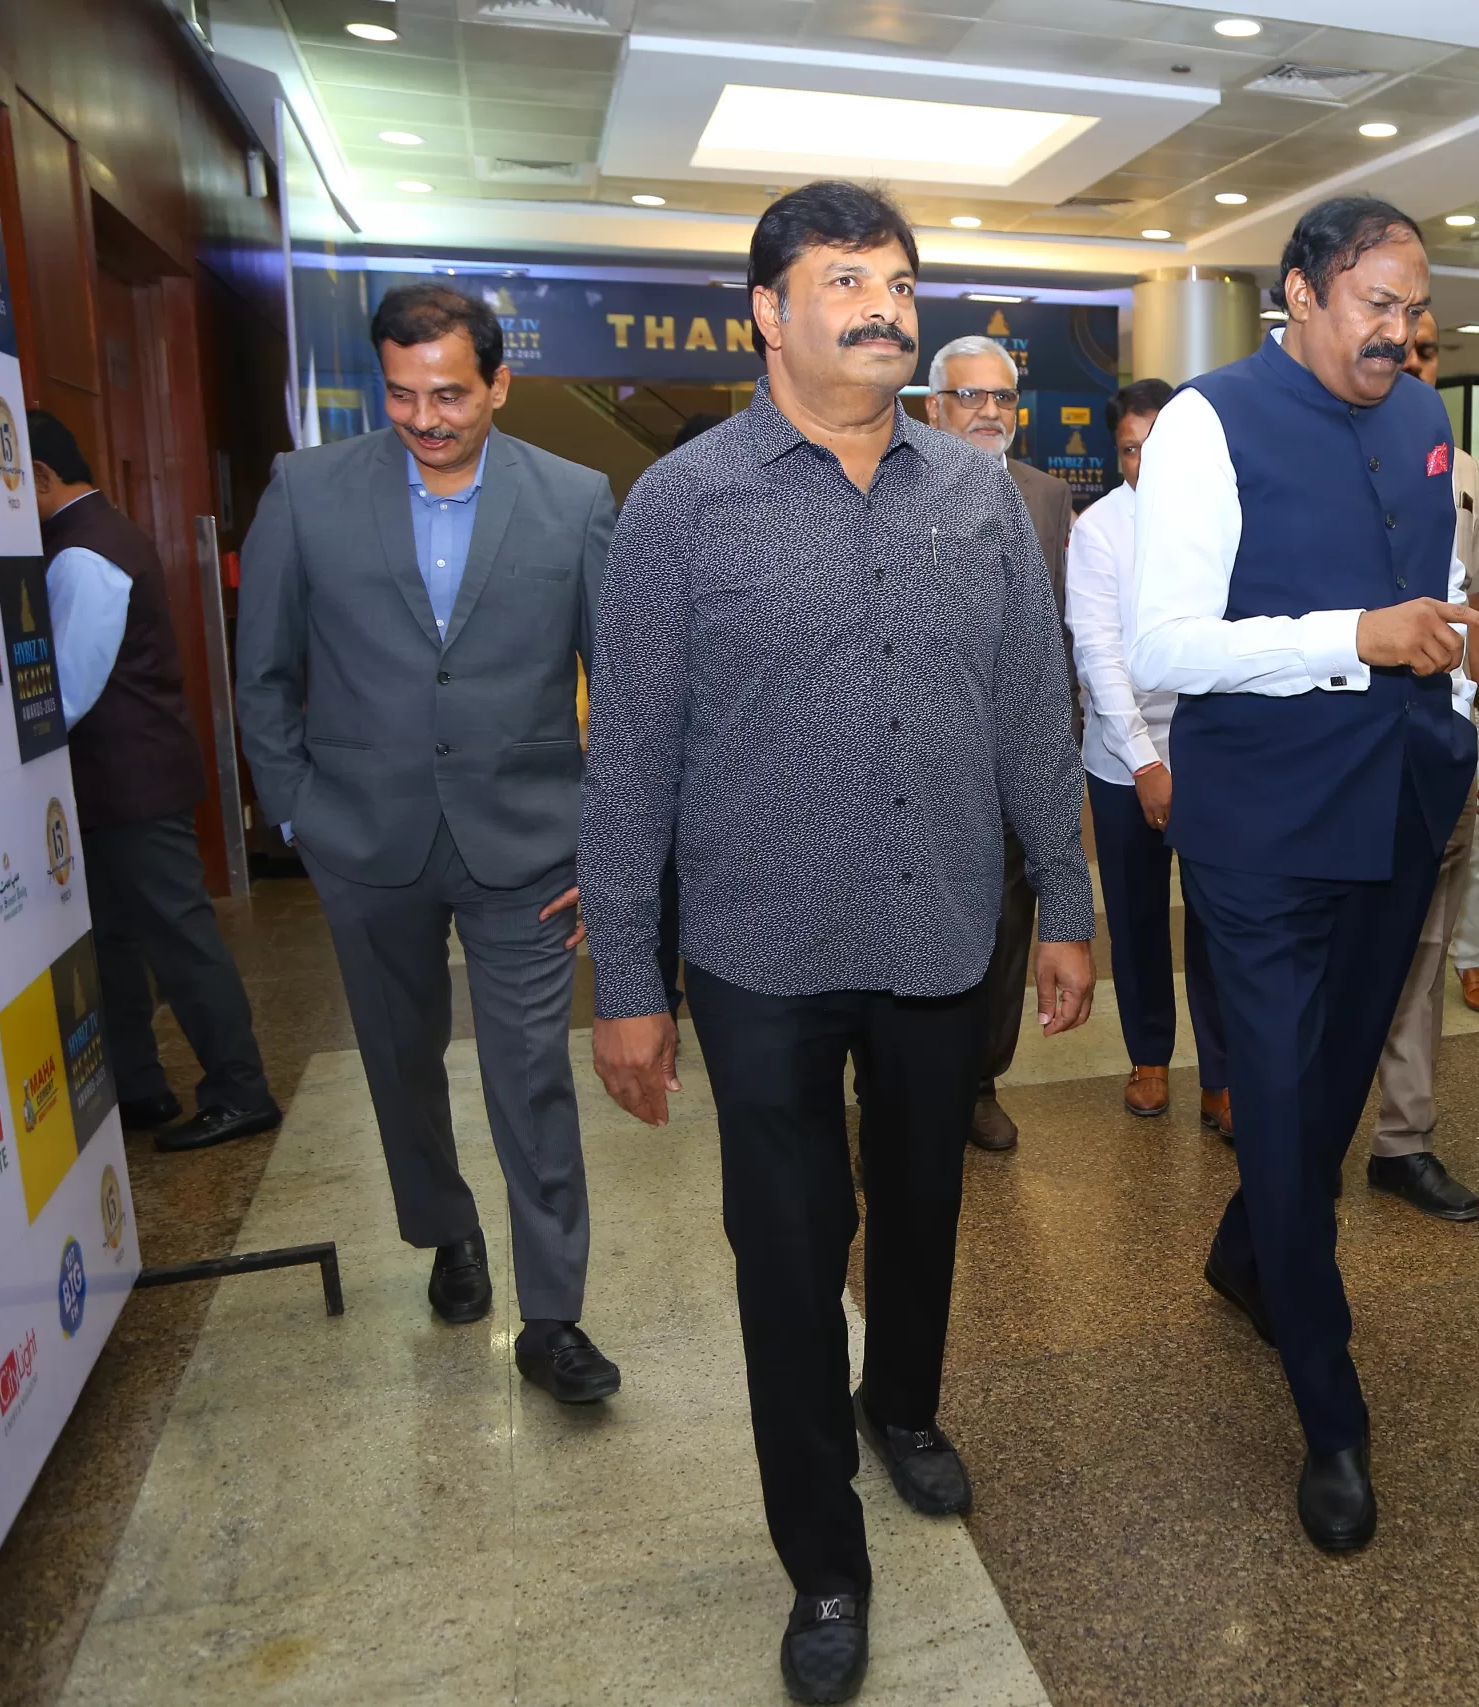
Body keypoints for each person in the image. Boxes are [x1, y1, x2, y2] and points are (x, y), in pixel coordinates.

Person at [578, 181, 1094, 1705]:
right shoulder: (680, 505)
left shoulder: (977, 495)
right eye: (848, 280)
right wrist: (627, 981)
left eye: (900, 281)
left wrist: (1068, 902)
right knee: (791, 1249)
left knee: (924, 1200)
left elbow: (1033, 712)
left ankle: (905, 1403)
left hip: (942, 926)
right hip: (763, 947)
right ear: (768, 311)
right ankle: (821, 1556)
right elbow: (631, 760)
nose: (884, 307)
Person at [1128, 196, 1479, 1552]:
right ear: (1298, 292)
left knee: (1330, 1091)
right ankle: (1331, 1409)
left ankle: (1248, 1254)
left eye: (1414, 308)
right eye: (1374, 304)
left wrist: (1458, 713)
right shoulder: (1206, 423)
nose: (1399, 332)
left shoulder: (1421, 415)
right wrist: (1356, 637)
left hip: (1399, 808)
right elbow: (1164, 645)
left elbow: (1435, 593)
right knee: (1281, 1110)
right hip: (1266, 830)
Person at [235, 283, 622, 1408]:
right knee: (400, 1059)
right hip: (364, 839)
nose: (425, 418)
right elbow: (263, 673)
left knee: (531, 1075)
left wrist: (606, 840)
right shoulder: (306, 490)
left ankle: (552, 1317)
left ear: (499, 384)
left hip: (530, 842)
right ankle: (447, 1227)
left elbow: (625, 683)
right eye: (402, 395)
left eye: (450, 394)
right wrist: (300, 813)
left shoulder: (574, 498)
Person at [29, 412, 281, 1155]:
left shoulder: (83, 552)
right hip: (118, 784)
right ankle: (137, 1084)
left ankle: (241, 1092)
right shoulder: (99, 534)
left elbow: (67, 690)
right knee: (115, 940)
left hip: (129, 783)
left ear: (38, 475)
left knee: (180, 940)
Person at [1363, 309, 1479, 1221]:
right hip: (1346, 752)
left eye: (1425, 349)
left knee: (1423, 958)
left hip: (1440, 750)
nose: (1410, 361)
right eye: (1395, 346)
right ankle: (1295, 1139)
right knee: (1330, 959)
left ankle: (1403, 1141)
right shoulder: (1327, 454)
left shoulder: (1462, 472)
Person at [1066, 378, 1230, 1131]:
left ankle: (1221, 1074)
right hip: (1120, 757)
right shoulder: (1100, 529)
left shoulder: (1217, 514)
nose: (1143, 461)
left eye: (1155, 445)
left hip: (1209, 748)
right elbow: (1099, 655)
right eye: (1129, 449)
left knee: (1217, 917)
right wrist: (1144, 763)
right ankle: (1150, 1058)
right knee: (1134, 919)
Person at [927, 333, 1075, 1152]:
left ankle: (981, 1081)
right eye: (971, 396)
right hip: (919, 762)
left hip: (1011, 765)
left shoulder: (1046, 498)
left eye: (1003, 397)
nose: (990, 411)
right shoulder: (892, 484)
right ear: (934, 408)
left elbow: (1059, 636)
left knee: (1008, 931)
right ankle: (898, 1090)